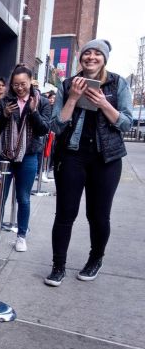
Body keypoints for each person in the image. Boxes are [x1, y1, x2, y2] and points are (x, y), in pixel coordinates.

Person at [45, 39, 133, 286]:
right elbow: (56, 126)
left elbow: (126, 123)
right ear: (81, 58)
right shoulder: (67, 84)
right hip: (72, 155)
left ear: (104, 59)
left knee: (98, 215)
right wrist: (73, 98)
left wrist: (103, 103)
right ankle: (58, 266)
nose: (91, 58)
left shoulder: (118, 84)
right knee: (65, 213)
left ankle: (95, 259)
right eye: (87, 54)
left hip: (106, 159)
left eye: (97, 54)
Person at [0, 65, 51, 252]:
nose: (19, 88)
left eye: (23, 84)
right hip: (4, 155)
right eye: (15, 84)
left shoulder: (41, 101)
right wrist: (4, 115)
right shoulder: (5, 101)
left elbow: (44, 130)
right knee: (0, 197)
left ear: (31, 81)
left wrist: (33, 112)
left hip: (29, 155)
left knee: (23, 198)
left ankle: (21, 236)